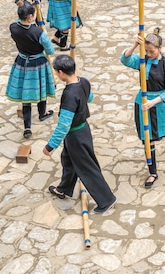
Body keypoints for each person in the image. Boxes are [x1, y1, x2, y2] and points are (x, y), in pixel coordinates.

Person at [44, 54, 117, 215]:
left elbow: (64, 125)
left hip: (76, 135)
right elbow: (89, 97)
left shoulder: (69, 95)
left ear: (61, 72)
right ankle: (64, 189)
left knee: (86, 168)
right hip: (83, 130)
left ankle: (106, 199)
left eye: (56, 72)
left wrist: (50, 146)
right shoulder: (83, 81)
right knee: (68, 161)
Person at [120, 29, 165, 188]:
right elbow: (125, 60)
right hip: (144, 103)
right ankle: (153, 172)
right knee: (148, 138)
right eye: (146, 50)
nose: (149, 53)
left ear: (160, 49)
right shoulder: (142, 60)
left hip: (161, 103)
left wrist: (154, 102)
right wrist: (134, 45)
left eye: (152, 51)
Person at [6, 2, 56, 139]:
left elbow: (18, 21)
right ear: (30, 17)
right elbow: (50, 50)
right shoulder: (38, 33)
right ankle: (42, 114)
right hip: (38, 63)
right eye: (32, 14)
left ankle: (27, 127)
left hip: (22, 61)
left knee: (25, 95)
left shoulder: (13, 27)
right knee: (42, 89)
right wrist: (43, 34)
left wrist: (27, 10)